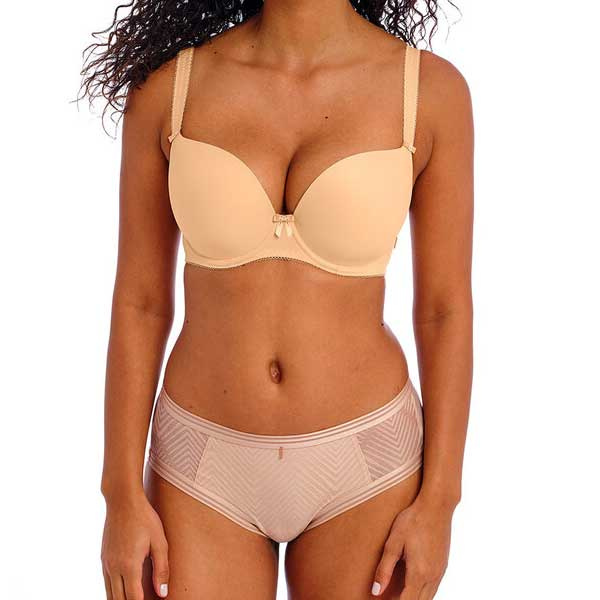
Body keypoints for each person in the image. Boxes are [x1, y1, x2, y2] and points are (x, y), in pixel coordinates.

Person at [80, 1, 473, 598]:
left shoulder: (429, 91)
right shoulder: (168, 88)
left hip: (367, 465)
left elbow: (444, 310)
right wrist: (120, 494)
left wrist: (441, 500)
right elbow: (140, 302)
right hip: (201, 466)